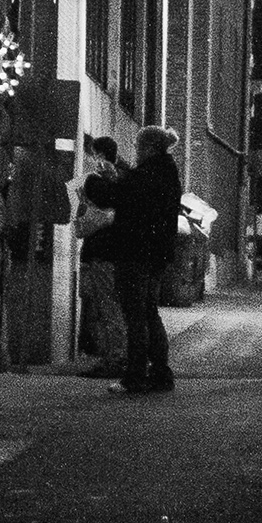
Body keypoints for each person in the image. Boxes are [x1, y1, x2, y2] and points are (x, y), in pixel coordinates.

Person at [99, 127, 183, 394]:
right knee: (149, 311)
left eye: (137, 148)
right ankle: (160, 373)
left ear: (147, 148)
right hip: (157, 253)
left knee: (135, 314)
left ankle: (134, 375)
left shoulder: (148, 175)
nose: (135, 153)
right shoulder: (166, 173)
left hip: (136, 251)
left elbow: (120, 196)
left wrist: (110, 180)